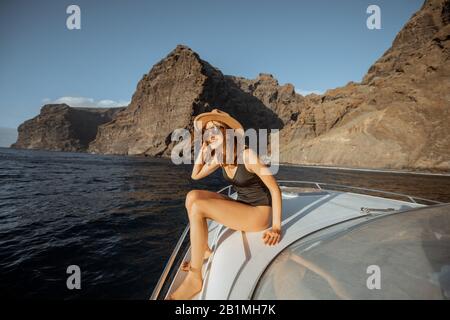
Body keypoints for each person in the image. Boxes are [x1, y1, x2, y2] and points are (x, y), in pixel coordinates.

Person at [167, 109, 282, 300]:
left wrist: (277, 226)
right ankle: (202, 251)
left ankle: (195, 278)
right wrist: (203, 152)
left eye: (215, 129)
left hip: (259, 213)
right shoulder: (220, 157)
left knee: (198, 207)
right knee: (192, 196)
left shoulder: (248, 155)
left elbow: (274, 189)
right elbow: (195, 176)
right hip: (243, 204)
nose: (210, 134)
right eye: (207, 131)